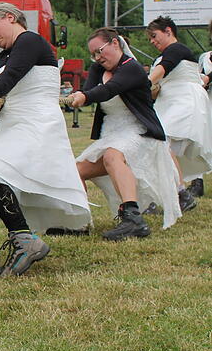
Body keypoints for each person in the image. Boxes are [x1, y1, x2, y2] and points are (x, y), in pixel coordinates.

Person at [0, 2, 91, 276]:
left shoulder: (30, 40)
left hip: (36, 123)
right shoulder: (6, 53)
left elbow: (13, 75)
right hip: (12, 124)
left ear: (11, 17)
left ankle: (24, 240)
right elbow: (10, 89)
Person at [68, 28, 181, 239]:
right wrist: (78, 95)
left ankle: (133, 219)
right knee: (76, 171)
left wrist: (84, 96)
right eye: (94, 54)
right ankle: (79, 222)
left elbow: (109, 90)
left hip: (141, 132)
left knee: (113, 155)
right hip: (112, 133)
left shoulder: (132, 68)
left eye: (100, 51)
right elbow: (91, 90)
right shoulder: (96, 69)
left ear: (115, 44)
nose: (98, 57)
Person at [145, 16, 212, 208]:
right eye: (150, 38)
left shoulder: (176, 49)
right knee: (160, 148)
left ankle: (180, 195)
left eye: (154, 35)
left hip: (184, 102)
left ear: (168, 31)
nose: (152, 41)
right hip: (169, 102)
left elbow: (162, 70)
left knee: (161, 143)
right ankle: (171, 195)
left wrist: (142, 84)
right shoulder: (166, 54)